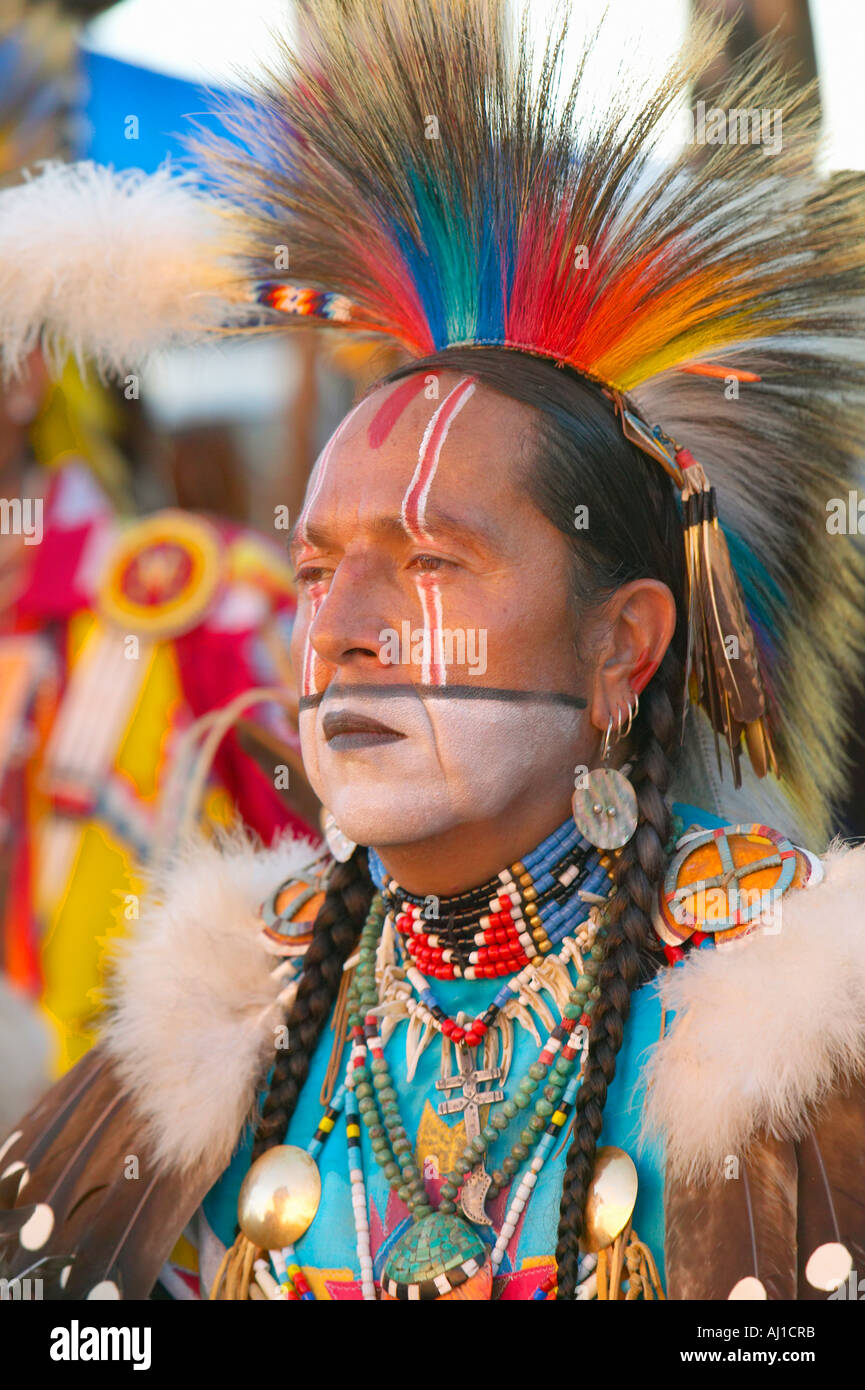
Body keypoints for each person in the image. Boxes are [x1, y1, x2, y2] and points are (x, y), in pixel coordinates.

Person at [1, 0, 864, 1302]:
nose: (339, 624)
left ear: (621, 644)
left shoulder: (798, 1029)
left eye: (427, 562)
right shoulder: (210, 1028)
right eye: (313, 565)